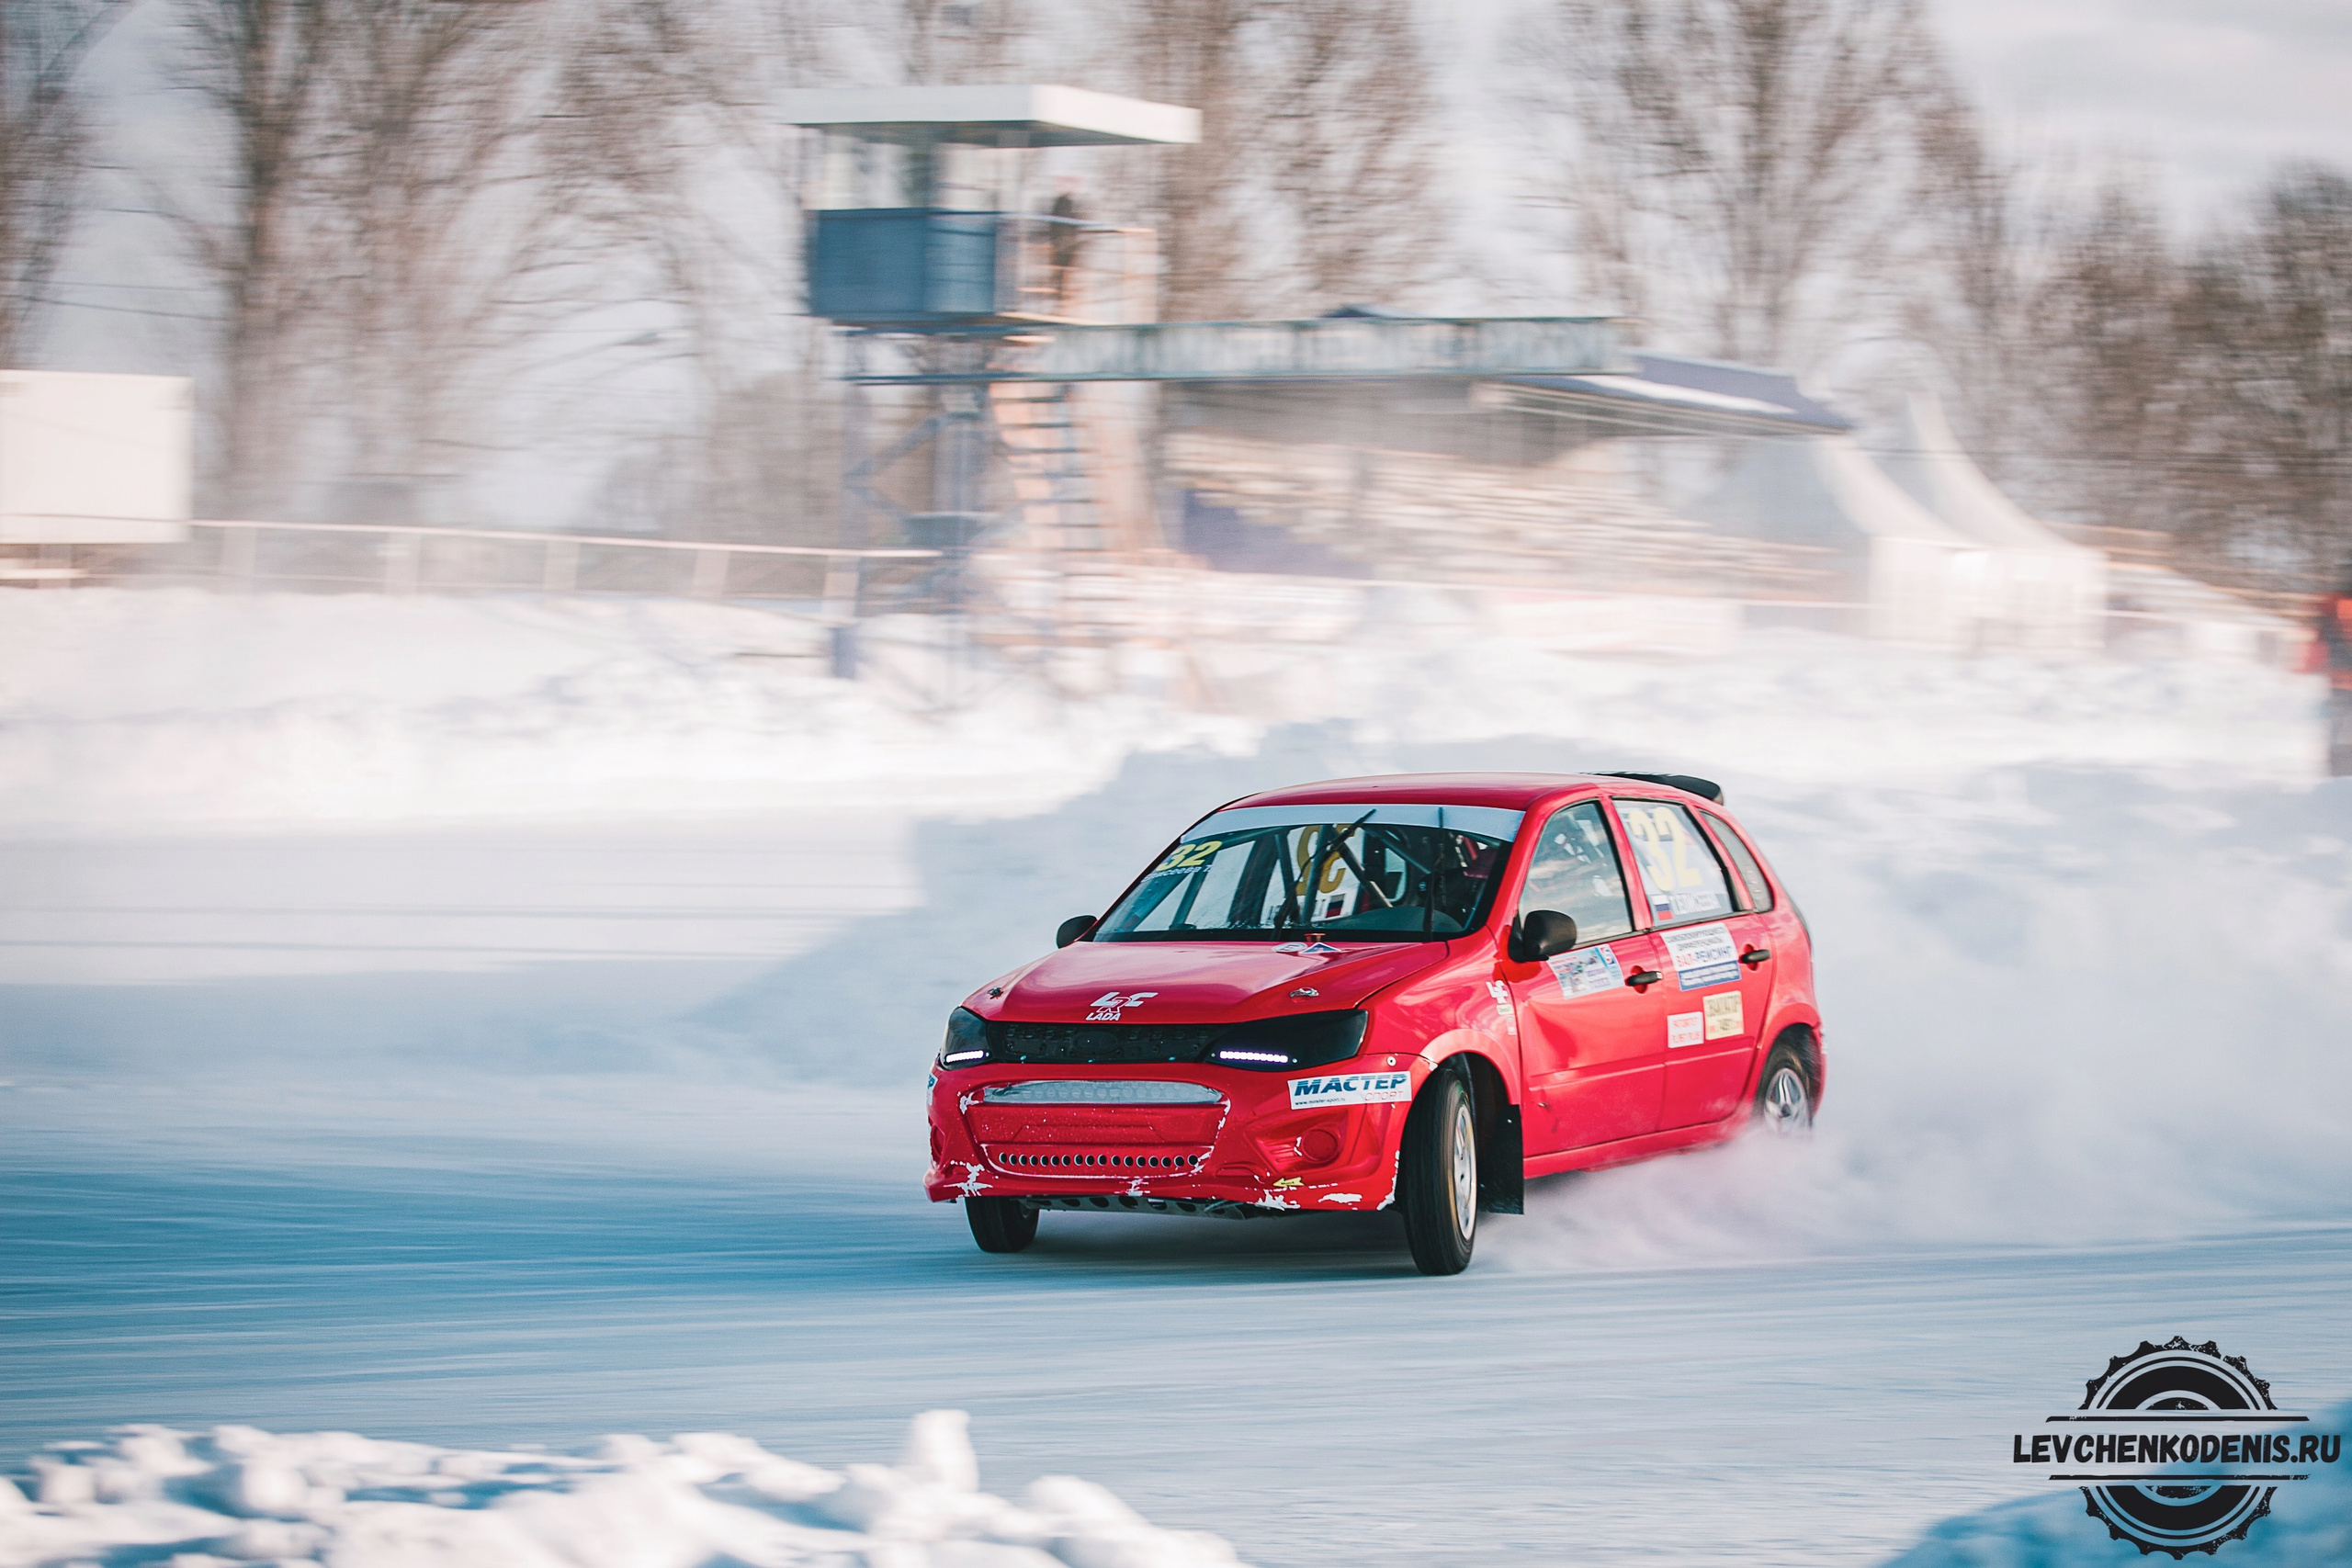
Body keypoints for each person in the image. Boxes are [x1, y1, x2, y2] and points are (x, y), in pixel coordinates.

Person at [2309, 569, 2352, 775]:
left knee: (2336, 729)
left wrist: (2309, 666)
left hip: (2337, 681)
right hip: (2341, 680)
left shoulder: (2330, 604)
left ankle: (2335, 776)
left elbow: (2318, 641)